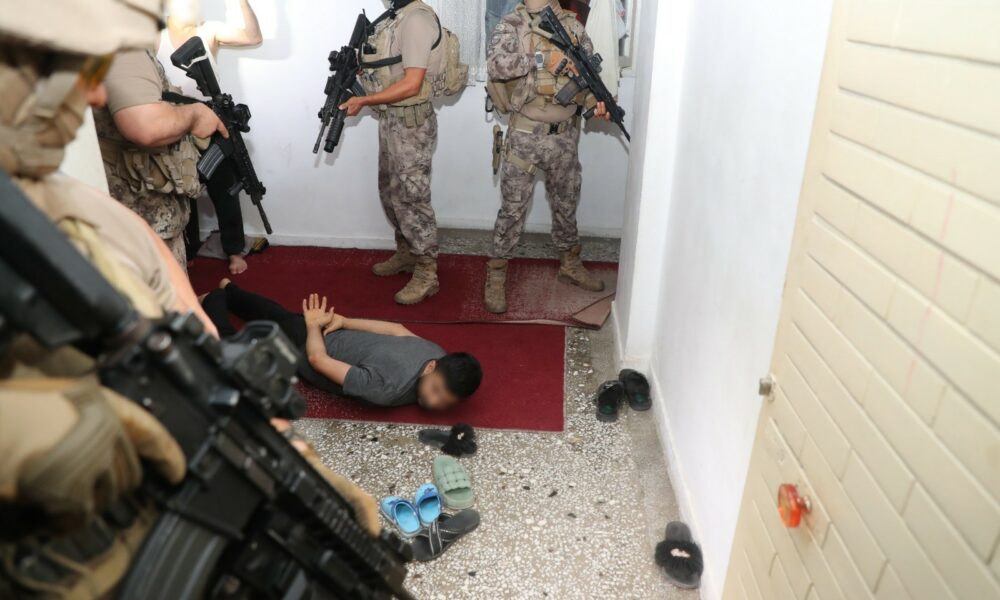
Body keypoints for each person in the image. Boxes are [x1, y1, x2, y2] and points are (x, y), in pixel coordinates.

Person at [0, 3, 377, 596]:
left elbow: (183, 318)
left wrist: (283, 447)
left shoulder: (69, 203)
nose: (96, 95)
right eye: (78, 66)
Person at [483, 0, 611, 313]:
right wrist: (543, 58)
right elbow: (496, 66)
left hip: (565, 135)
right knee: (513, 209)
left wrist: (596, 102)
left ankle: (570, 263)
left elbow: (586, 76)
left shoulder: (573, 25)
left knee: (566, 203)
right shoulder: (512, 24)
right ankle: (497, 273)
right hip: (526, 133)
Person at [202, 279, 484, 410]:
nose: (433, 402)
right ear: (431, 367)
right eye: (435, 390)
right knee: (236, 354)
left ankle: (230, 291)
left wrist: (344, 322)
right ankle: (214, 299)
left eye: (445, 402)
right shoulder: (385, 388)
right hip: (308, 349)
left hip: (330, 335)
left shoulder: (437, 354)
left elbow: (397, 330)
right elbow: (318, 361)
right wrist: (316, 326)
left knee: (280, 317)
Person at [340, 0, 448, 306]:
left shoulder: (416, 20)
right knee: (390, 192)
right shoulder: (395, 18)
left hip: (411, 125)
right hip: (391, 120)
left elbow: (412, 84)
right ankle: (406, 252)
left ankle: (427, 272)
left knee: (412, 198)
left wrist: (365, 100)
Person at [94, 27, 229, 268]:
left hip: (125, 213)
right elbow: (145, 125)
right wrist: (194, 114)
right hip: (141, 213)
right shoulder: (125, 39)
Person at [159, 0, 263, 275]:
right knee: (182, 189)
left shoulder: (208, 30)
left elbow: (253, 37)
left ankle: (233, 249)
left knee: (225, 186)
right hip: (172, 119)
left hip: (209, 118)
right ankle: (189, 249)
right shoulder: (155, 35)